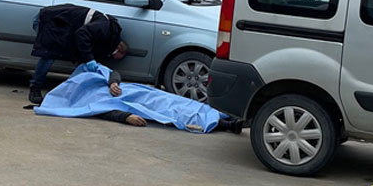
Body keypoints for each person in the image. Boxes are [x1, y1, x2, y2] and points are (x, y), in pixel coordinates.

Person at [34, 61, 239, 133]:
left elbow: (110, 72)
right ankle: (224, 123)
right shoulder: (81, 102)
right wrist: (126, 117)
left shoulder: (88, 75)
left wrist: (113, 82)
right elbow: (102, 111)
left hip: (135, 91)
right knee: (170, 111)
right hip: (131, 103)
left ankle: (223, 116)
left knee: (173, 101)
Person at [28, 3, 129, 105]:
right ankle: (35, 89)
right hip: (50, 19)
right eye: (113, 56)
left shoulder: (107, 36)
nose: (111, 58)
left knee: (63, 52)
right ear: (117, 49)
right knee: (49, 54)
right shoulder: (104, 28)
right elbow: (82, 34)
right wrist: (89, 59)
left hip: (61, 22)